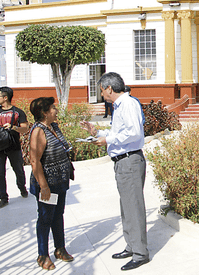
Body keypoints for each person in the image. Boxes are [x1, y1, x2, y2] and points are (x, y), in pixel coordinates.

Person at [81, 72, 150, 271]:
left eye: (102, 91)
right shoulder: (120, 106)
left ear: (109, 88)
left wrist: (108, 140)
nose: (102, 95)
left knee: (133, 208)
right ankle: (132, 246)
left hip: (130, 161)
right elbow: (119, 133)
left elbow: (134, 133)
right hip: (123, 162)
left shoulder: (127, 104)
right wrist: (97, 133)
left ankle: (140, 253)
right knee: (126, 207)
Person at [28, 97, 74, 270]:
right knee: (45, 218)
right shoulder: (38, 131)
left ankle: (60, 249)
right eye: (53, 108)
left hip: (60, 181)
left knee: (58, 215)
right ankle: (43, 255)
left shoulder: (53, 126)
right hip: (47, 184)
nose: (56, 110)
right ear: (45, 113)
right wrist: (44, 186)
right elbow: (35, 161)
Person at [0, 86, 29, 209]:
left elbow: (25, 129)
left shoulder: (18, 112)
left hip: (13, 146)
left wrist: (14, 127)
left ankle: (22, 188)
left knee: (18, 170)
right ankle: (3, 198)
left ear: (5, 98)